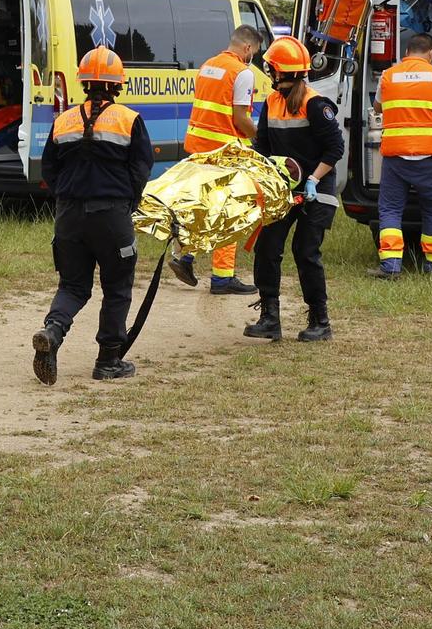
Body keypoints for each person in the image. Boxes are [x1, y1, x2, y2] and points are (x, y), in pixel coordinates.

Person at [32, 47, 155, 385]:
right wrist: (126, 202)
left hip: (69, 216)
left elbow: (49, 170)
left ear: (83, 83)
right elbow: (141, 168)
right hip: (111, 215)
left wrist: (67, 197)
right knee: (117, 287)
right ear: (118, 85)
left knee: (72, 285)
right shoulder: (129, 120)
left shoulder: (64, 120)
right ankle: (108, 361)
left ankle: (53, 332)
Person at [244, 37, 345, 342]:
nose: (270, 73)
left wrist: (313, 179)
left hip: (317, 189)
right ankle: (270, 318)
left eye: (272, 69)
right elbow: (262, 146)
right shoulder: (272, 102)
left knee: (305, 250)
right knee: (266, 247)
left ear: (280, 72)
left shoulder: (315, 104)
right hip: (284, 190)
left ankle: (320, 320)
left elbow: (335, 148)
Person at [173, 24, 264, 296]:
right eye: (255, 53)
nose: (253, 58)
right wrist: (261, 139)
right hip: (224, 151)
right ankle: (222, 278)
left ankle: (185, 257)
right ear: (247, 48)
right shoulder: (243, 73)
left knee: (203, 207)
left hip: (198, 148)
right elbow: (239, 118)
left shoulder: (208, 65)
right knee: (230, 211)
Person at [372, 31, 432, 278]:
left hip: (395, 156)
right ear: (431, 54)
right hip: (429, 157)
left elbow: (378, 106)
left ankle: (390, 266)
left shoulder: (388, 76)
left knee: (390, 209)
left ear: (406, 53)